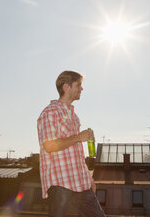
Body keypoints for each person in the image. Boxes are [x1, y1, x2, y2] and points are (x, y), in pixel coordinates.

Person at [37, 70, 105, 217]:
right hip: (60, 183)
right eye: (78, 85)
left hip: (81, 183)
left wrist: (89, 179)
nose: (82, 88)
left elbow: (76, 153)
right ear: (66, 86)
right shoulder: (50, 112)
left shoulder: (74, 117)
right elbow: (48, 146)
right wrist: (78, 137)